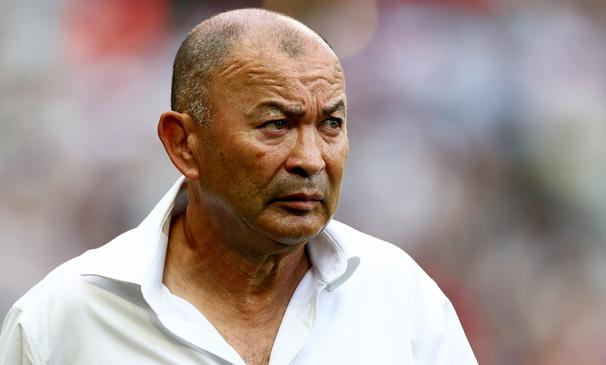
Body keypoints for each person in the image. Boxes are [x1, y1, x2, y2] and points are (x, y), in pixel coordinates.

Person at [0, 8, 477, 365]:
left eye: (331, 123)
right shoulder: (63, 320)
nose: (311, 159)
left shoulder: (401, 298)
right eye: (275, 124)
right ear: (183, 144)